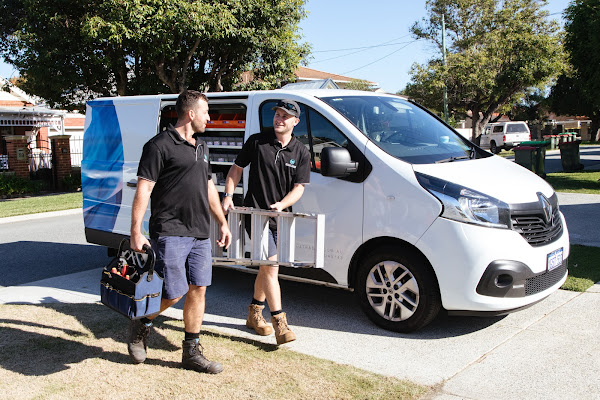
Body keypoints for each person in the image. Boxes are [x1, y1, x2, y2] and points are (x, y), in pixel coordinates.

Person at [128, 90, 231, 373]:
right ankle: (141, 322)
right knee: (173, 292)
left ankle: (191, 352)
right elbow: (144, 189)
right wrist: (135, 231)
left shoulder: (202, 147)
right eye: (207, 113)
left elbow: (209, 188)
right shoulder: (159, 145)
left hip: (200, 230)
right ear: (191, 113)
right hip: (170, 230)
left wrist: (221, 221)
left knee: (199, 288)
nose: (210, 118)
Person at [221, 99, 310, 345]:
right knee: (271, 266)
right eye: (277, 114)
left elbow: (299, 187)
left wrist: (282, 204)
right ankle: (279, 322)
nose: (279, 119)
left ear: (295, 122)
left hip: (281, 218)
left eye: (285, 116)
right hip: (256, 215)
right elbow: (236, 169)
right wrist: (228, 195)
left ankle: (254, 314)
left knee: (266, 267)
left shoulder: (301, 151)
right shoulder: (257, 142)